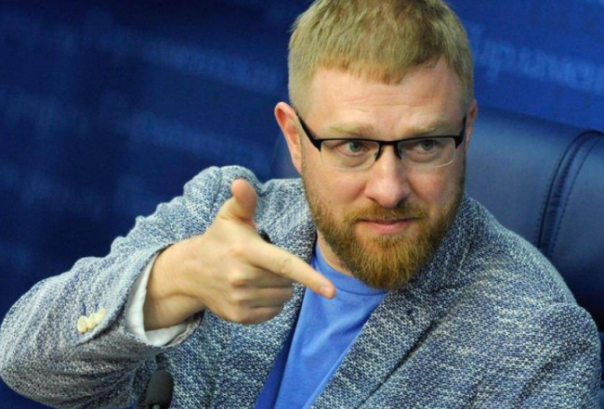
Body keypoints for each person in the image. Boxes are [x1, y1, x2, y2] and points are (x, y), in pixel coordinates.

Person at [0, 0, 600, 407]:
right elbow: (22, 361)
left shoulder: (539, 340)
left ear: (466, 131)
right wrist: (174, 279)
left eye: (424, 145)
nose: (389, 188)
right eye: (353, 146)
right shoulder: (222, 212)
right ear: (294, 137)